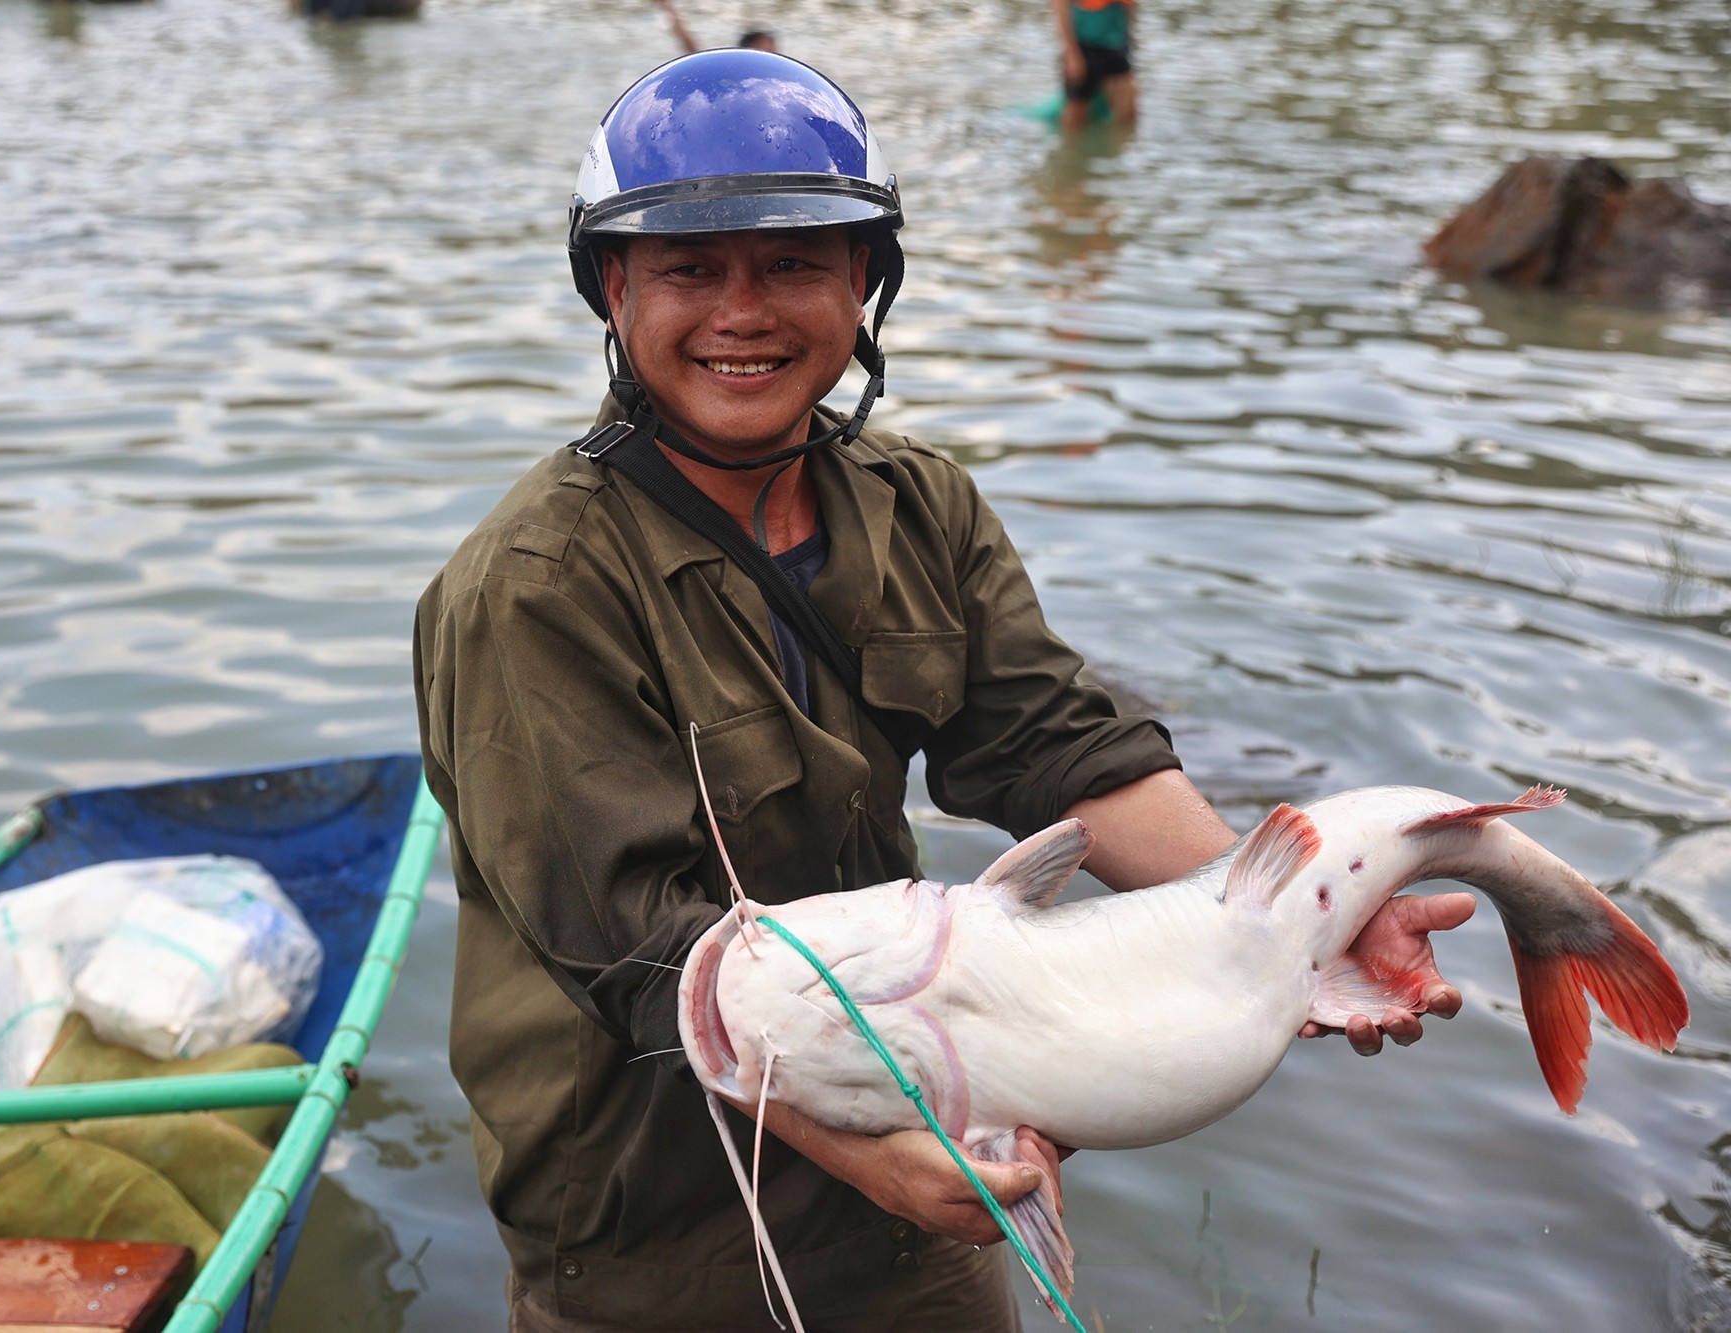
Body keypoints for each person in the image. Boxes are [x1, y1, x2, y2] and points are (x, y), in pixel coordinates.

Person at [413, 50, 1470, 1332]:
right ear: (613, 287)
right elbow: (642, 951)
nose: (740, 313)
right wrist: (876, 1153)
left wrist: (1297, 916)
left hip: (934, 1150)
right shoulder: (533, 587)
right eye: (689, 268)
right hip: (661, 1217)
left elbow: (1063, 750)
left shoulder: (918, 502)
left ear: (864, 283)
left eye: (794, 263)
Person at [1051, 0, 1137, 133]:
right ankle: (1069, 150)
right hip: (1084, 47)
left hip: (1116, 45)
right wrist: (1070, 55)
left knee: (1128, 117)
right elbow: (1059, 7)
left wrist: (1129, 41)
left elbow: (1130, 8)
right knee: (1075, 117)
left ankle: (1117, 151)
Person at [654, 0, 777, 55]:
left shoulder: (782, 80)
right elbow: (693, 50)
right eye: (767, 52)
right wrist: (669, 7)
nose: (774, 57)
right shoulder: (732, 74)